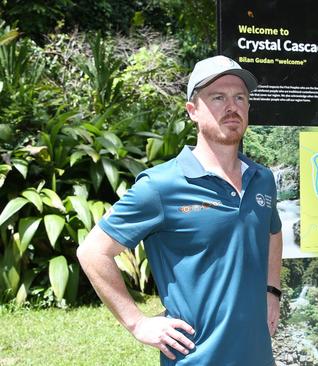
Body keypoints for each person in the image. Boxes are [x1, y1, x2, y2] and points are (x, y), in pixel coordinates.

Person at [77, 55, 283, 366]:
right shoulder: (160, 186)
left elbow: (273, 231)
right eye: (218, 97)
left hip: (257, 356)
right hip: (196, 358)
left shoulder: (262, 179)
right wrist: (137, 323)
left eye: (240, 97)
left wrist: (272, 290)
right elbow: (93, 252)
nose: (232, 106)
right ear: (192, 111)